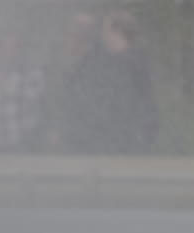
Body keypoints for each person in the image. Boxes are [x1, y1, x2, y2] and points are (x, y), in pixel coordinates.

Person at [55, 9, 157, 155]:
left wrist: (135, 134)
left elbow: (132, 103)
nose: (102, 35)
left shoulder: (130, 63)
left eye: (105, 29)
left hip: (126, 139)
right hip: (114, 138)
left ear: (117, 31)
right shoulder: (112, 61)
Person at [0, 28, 46, 152]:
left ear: (22, 50)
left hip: (22, 144)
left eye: (14, 47)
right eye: (5, 47)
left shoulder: (32, 72)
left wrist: (1, 84)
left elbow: (33, 100)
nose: (9, 52)